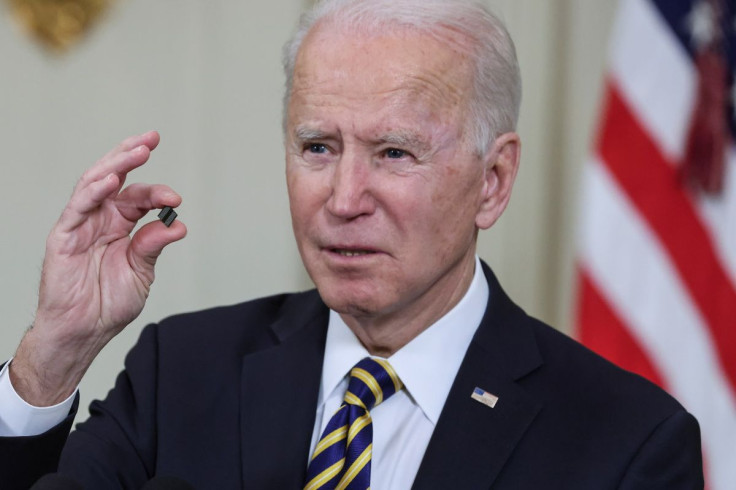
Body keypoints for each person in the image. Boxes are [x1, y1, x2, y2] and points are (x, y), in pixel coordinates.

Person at [0, 0, 703, 488]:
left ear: (493, 180)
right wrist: (54, 352)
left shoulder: (626, 442)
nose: (342, 198)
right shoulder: (181, 373)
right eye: (317, 146)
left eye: (394, 153)